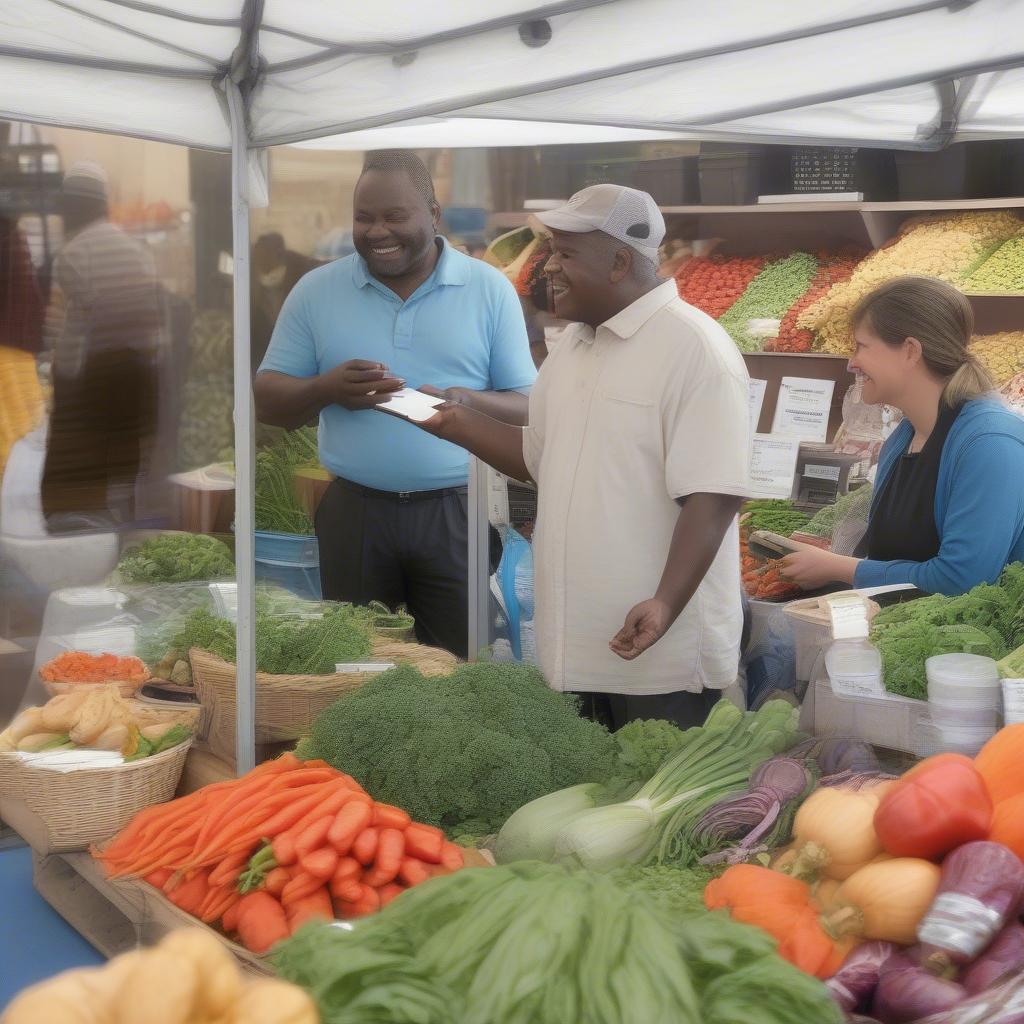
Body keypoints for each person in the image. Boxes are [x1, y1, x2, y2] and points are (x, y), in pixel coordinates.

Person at [412, 184, 752, 729]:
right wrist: (454, 423)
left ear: (619, 261)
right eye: (550, 249)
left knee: (652, 806)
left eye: (566, 253)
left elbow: (713, 496)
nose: (547, 266)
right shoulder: (573, 347)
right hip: (577, 647)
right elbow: (540, 457)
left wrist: (664, 603)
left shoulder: (696, 350)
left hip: (657, 655)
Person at [254, 150, 536, 658]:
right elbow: (268, 400)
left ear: (433, 214)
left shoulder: (488, 288)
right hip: (355, 512)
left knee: (458, 670)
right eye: (364, 217)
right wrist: (327, 389)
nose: (376, 231)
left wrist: (461, 403)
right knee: (354, 667)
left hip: (456, 513)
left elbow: (529, 405)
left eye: (393, 216)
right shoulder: (316, 290)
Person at [781, 276, 1024, 596]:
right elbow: (891, 555)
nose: (852, 363)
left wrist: (840, 568)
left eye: (862, 346)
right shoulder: (903, 438)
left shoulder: (991, 444)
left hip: (969, 644)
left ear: (910, 351)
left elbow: (963, 579)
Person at [41, 162, 163, 530]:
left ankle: (82, 534)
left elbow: (74, 331)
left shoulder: (73, 254)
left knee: (85, 474)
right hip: (138, 375)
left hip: (94, 380)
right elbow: (153, 327)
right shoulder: (137, 251)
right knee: (124, 467)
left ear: (75, 206)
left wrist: (58, 374)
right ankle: (120, 527)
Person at [250, 232, 321, 371]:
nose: (261, 268)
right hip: (265, 362)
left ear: (279, 255)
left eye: (266, 260)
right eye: (259, 262)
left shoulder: (306, 277)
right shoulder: (252, 284)